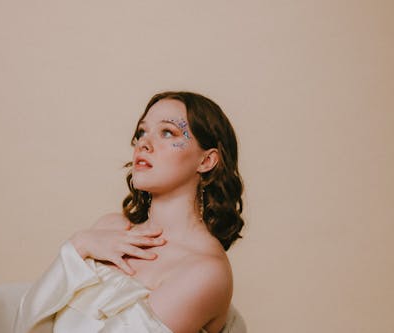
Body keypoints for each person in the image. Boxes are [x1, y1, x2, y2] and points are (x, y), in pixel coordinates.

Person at [13, 91, 245, 333]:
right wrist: (78, 245)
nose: (144, 143)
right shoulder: (107, 229)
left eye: (168, 132)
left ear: (207, 161)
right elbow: (22, 325)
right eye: (142, 132)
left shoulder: (204, 272)